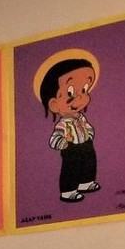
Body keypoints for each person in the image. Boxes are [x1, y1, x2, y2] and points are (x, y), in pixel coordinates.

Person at [36, 49, 100, 203]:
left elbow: (88, 127)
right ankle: (68, 191)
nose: (80, 97)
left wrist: (89, 134)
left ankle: (86, 182)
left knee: (90, 161)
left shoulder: (81, 118)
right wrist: (64, 142)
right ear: (54, 104)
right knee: (71, 168)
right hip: (71, 148)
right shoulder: (63, 124)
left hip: (85, 144)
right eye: (70, 92)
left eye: (84, 90)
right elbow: (54, 139)